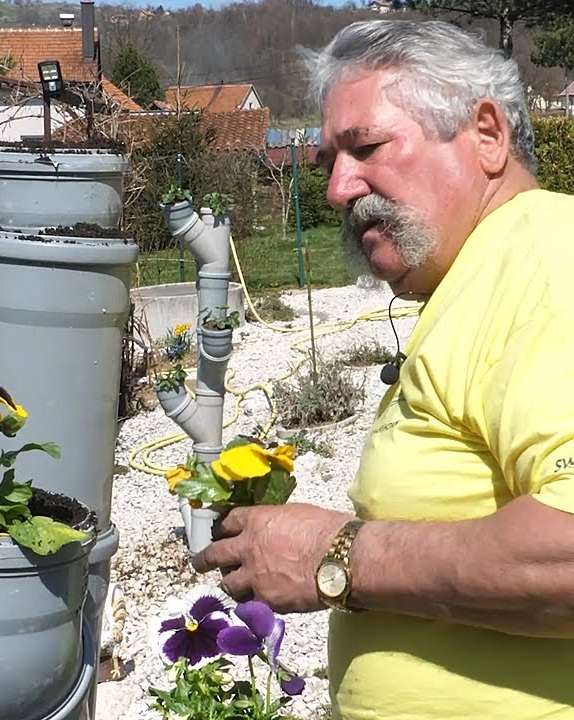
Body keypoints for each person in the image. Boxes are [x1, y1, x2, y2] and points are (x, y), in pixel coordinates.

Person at [192, 18, 574, 720]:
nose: (338, 189)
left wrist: (336, 556)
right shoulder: (484, 276)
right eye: (329, 162)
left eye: (366, 147)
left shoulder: (547, 268)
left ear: (487, 135)